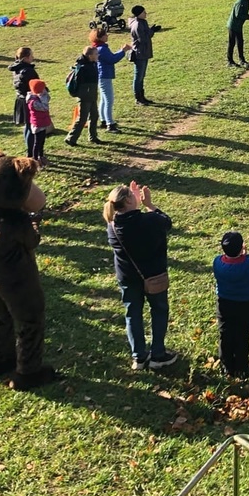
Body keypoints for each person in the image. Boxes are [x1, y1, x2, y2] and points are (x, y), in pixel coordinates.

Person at [0, 149, 58, 389]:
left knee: (1, 317)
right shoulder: (16, 221)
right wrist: (33, 219)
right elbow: (32, 241)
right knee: (30, 320)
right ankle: (28, 372)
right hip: (17, 277)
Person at [106, 180, 179, 371]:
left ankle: (138, 357)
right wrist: (149, 205)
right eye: (132, 195)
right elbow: (167, 222)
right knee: (159, 310)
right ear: (129, 202)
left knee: (133, 315)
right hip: (154, 276)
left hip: (128, 278)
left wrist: (136, 202)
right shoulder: (150, 220)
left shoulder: (112, 227)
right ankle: (158, 354)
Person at [214, 231, 249, 378]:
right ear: (242, 247)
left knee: (225, 333)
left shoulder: (217, 262)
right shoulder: (246, 263)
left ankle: (226, 366)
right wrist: (246, 256)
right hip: (244, 304)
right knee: (242, 335)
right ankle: (241, 367)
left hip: (224, 304)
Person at [91, 29, 132, 133]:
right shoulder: (102, 49)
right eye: (105, 34)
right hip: (105, 76)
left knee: (104, 100)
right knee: (109, 100)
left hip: (101, 76)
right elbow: (112, 59)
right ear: (100, 37)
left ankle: (104, 120)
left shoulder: (98, 48)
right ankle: (110, 124)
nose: (107, 35)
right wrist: (123, 50)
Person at [65, 45, 101, 145]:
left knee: (94, 116)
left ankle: (93, 137)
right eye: (96, 54)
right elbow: (79, 83)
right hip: (85, 96)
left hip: (92, 95)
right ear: (90, 56)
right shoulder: (83, 68)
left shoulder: (92, 63)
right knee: (82, 118)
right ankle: (71, 138)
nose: (98, 55)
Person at [10, 47, 39, 156]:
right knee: (31, 127)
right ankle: (30, 152)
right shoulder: (28, 71)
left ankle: (29, 148)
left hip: (20, 99)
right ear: (26, 58)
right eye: (31, 56)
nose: (33, 57)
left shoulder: (17, 67)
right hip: (28, 100)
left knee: (27, 126)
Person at [129, 5, 154, 105]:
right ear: (139, 14)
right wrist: (152, 31)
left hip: (143, 52)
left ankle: (142, 96)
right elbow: (143, 39)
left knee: (141, 76)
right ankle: (138, 98)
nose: (146, 13)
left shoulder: (142, 22)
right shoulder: (138, 25)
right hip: (140, 53)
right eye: (144, 12)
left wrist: (151, 30)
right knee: (138, 76)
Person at [26, 80, 52, 166]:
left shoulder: (39, 97)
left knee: (42, 141)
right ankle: (35, 159)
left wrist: (44, 95)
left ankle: (41, 156)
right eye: (43, 88)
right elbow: (45, 107)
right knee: (37, 142)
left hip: (43, 122)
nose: (45, 90)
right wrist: (42, 97)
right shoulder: (33, 101)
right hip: (38, 124)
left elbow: (48, 98)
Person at [226, 0, 249, 68]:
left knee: (240, 42)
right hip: (233, 25)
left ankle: (241, 60)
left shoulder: (245, 0)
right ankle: (230, 61)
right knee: (232, 43)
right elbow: (238, 14)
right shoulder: (241, 2)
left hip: (238, 25)